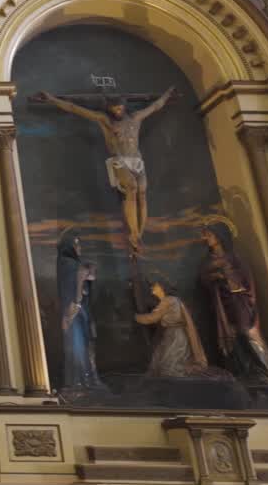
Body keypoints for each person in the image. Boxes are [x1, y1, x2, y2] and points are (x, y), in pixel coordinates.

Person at [38, 87, 174, 251]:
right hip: (119, 160)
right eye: (114, 108)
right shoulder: (105, 120)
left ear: (124, 106)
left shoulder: (136, 118)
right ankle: (133, 233)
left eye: (119, 107)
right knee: (131, 189)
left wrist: (166, 95)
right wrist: (52, 99)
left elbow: (155, 107)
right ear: (109, 108)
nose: (117, 110)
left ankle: (139, 234)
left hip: (137, 160)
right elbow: (75, 109)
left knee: (143, 193)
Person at [199, 222, 268, 383]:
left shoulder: (234, 258)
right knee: (232, 339)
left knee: (246, 333)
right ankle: (242, 374)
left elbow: (245, 279)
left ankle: (267, 374)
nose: (206, 238)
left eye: (209, 235)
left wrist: (225, 276)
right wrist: (213, 276)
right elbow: (203, 279)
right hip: (222, 305)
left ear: (220, 237)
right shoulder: (209, 259)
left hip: (239, 303)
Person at [56, 230, 103, 389]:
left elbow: (87, 281)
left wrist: (86, 275)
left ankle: (85, 381)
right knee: (76, 346)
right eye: (76, 244)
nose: (79, 247)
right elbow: (74, 288)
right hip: (73, 311)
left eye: (79, 243)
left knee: (84, 347)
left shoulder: (72, 264)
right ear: (69, 246)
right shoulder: (67, 264)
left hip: (81, 310)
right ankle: (78, 383)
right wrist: (82, 277)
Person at [134, 281, 208, 378]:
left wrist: (135, 317)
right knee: (165, 364)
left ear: (162, 287)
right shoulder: (172, 300)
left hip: (175, 337)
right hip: (174, 335)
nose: (152, 289)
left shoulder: (168, 300)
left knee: (170, 366)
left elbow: (153, 318)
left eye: (155, 286)